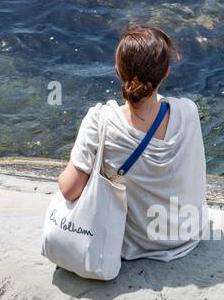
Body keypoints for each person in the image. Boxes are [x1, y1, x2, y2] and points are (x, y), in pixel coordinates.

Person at [56, 26, 208, 261]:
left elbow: (69, 190)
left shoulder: (101, 120)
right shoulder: (188, 111)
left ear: (118, 70)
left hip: (133, 246)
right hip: (188, 234)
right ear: (166, 72)